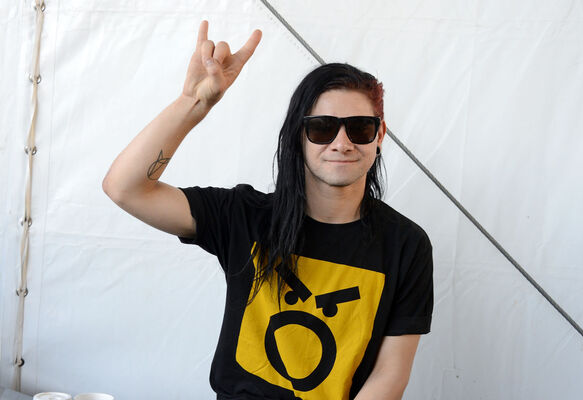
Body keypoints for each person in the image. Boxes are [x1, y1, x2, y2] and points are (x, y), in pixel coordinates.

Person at [103, 20, 433, 400]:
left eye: (359, 128)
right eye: (322, 128)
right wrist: (193, 104)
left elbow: (389, 376)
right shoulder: (244, 216)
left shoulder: (406, 245)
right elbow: (125, 188)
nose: (342, 143)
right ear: (298, 136)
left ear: (380, 135)